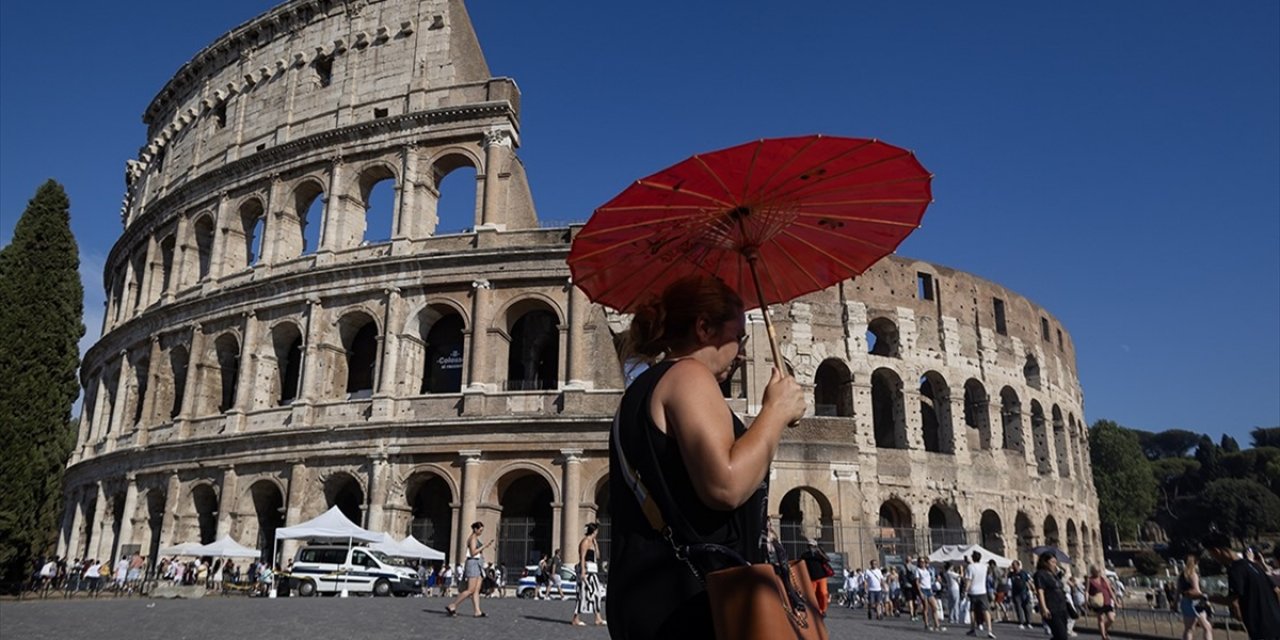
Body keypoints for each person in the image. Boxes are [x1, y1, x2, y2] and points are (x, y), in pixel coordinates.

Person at [604, 275, 806, 640]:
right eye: (738, 336)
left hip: (646, 597)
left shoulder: (639, 392)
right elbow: (724, 485)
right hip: (693, 601)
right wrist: (774, 413)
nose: (741, 351)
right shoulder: (689, 377)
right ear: (703, 327)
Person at [1203, 532, 1280, 640]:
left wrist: (1205, 597)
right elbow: (1276, 590)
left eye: (1212, 555)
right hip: (1276, 623)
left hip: (1261, 628)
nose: (1214, 559)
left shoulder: (1235, 570)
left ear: (1217, 551)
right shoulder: (1253, 565)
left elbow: (1232, 601)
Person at [446, 521, 492, 618]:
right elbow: (473, 552)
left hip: (478, 564)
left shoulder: (476, 538)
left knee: (476, 590)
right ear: (475, 529)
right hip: (473, 564)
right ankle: (453, 605)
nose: (481, 532)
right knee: (470, 590)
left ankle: (477, 611)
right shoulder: (472, 538)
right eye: (480, 530)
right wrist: (484, 546)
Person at [571, 522, 607, 627]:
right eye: (597, 531)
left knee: (596, 594)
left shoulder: (593, 542)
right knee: (582, 595)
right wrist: (582, 571)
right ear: (594, 531)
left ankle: (598, 618)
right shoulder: (585, 542)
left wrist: (596, 545)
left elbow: (598, 556)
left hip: (593, 571)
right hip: (586, 571)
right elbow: (582, 557)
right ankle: (575, 618)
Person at [1035, 552, 1070, 640]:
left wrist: (1061, 574)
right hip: (1051, 607)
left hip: (1062, 607)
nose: (1055, 564)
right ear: (1045, 562)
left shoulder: (1054, 575)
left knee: (1061, 636)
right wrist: (1043, 608)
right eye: (1052, 562)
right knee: (1062, 636)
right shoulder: (1040, 574)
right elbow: (1040, 591)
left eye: (1055, 562)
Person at [1178, 552, 1213, 640]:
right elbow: (1196, 591)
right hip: (1195, 602)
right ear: (1195, 563)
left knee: (1188, 629)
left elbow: (1177, 591)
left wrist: (1174, 603)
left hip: (1185, 601)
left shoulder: (1182, 576)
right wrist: (1206, 600)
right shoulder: (1193, 575)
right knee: (1207, 627)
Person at [964, 551, 995, 638]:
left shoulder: (970, 567)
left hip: (973, 591)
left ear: (973, 558)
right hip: (982, 591)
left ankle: (973, 628)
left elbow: (969, 580)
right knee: (986, 610)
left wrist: (965, 590)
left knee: (972, 610)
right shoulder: (984, 567)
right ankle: (989, 630)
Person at [1087, 564, 1117, 640]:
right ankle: (1103, 636)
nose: (1098, 572)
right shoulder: (1089, 580)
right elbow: (1086, 591)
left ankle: (1105, 630)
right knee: (1101, 619)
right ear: (1093, 571)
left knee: (1111, 618)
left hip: (1107, 600)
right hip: (1098, 602)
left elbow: (1110, 590)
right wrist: (1086, 601)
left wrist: (1115, 601)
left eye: (1099, 571)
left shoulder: (1104, 579)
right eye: (1097, 571)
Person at [1008, 559, 1033, 629]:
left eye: (1014, 565)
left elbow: (1028, 581)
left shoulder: (1023, 573)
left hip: (1024, 592)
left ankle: (1029, 622)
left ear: (1018, 566)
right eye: (1013, 565)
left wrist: (1031, 589)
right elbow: (1005, 578)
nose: (1013, 567)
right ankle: (1021, 622)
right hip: (1015, 593)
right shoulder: (1011, 574)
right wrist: (1008, 570)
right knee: (1019, 608)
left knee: (1027, 608)